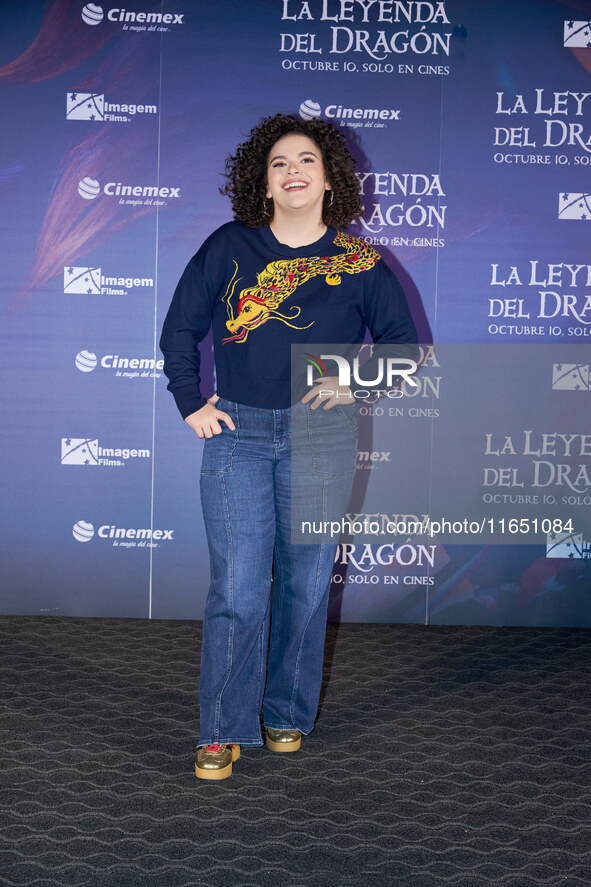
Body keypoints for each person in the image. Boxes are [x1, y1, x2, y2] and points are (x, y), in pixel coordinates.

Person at [160, 113, 417, 780]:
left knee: (303, 583)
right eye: (278, 162)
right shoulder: (229, 247)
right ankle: (220, 727)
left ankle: (284, 713)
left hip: (322, 435)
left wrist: (349, 385)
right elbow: (177, 333)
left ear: (330, 181)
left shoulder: (360, 262)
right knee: (239, 589)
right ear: (263, 182)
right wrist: (192, 401)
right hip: (237, 433)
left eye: (306, 159)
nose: (292, 169)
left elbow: (403, 348)